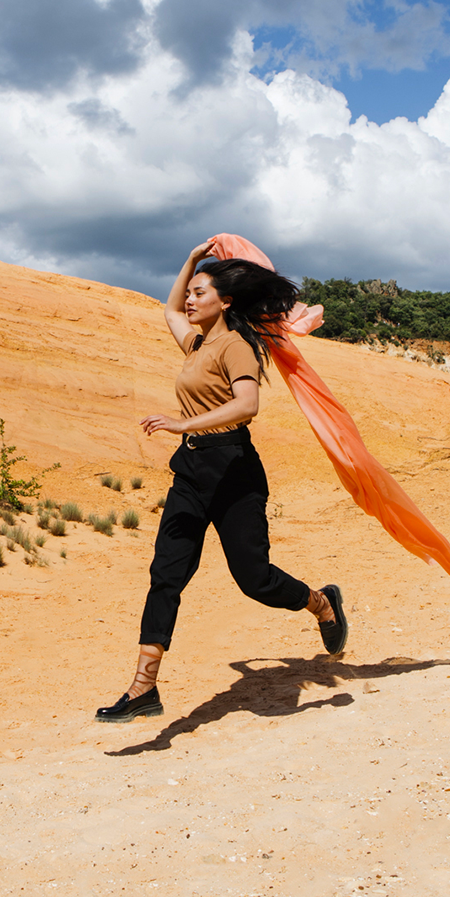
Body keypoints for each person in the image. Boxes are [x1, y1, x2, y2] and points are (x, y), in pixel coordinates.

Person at [95, 240, 348, 724]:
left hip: (234, 472)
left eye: (200, 293)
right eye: (190, 292)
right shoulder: (195, 343)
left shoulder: (235, 346)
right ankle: (143, 687)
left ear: (225, 301)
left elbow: (247, 406)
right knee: (165, 576)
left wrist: (182, 424)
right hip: (190, 473)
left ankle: (320, 602)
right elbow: (167, 308)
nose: (189, 300)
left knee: (254, 580)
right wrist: (191, 260)